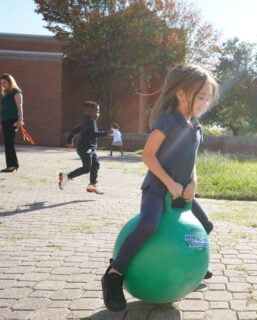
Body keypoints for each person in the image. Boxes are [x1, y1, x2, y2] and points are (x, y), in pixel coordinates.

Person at [101, 64, 219, 312]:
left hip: (182, 192)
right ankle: (114, 274)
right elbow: (148, 156)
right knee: (148, 225)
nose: (205, 102)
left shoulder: (196, 127)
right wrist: (170, 183)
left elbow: (192, 160)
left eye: (208, 98)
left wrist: (193, 182)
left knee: (206, 226)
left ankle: (194, 263)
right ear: (181, 94)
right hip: (157, 188)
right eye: (200, 96)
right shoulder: (167, 122)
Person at [58, 101, 108, 194]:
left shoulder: (87, 121)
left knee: (95, 165)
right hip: (86, 149)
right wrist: (106, 133)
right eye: (97, 111)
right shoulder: (91, 121)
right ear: (90, 112)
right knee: (86, 168)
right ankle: (67, 176)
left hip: (89, 148)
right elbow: (94, 134)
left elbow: (74, 131)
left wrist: (69, 140)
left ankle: (92, 184)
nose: (98, 113)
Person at [0, 73, 24, 173]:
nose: (3, 85)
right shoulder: (6, 93)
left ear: (10, 82)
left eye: (4, 82)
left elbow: (19, 107)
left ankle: (12, 165)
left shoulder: (16, 91)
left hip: (13, 121)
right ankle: (12, 165)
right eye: (1, 83)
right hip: (5, 120)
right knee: (7, 143)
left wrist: (20, 120)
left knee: (9, 143)